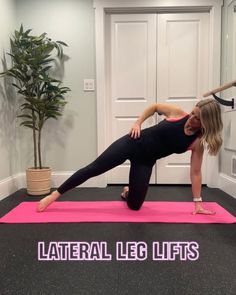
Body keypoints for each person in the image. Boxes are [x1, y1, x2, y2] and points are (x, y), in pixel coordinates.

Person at [37, 98, 223, 215]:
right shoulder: (177, 113)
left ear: (207, 122)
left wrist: (198, 203)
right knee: (94, 169)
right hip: (132, 143)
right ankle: (53, 196)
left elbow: (196, 173)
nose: (191, 118)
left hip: (145, 162)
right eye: (193, 113)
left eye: (197, 118)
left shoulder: (196, 143)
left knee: (135, 206)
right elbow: (155, 106)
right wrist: (137, 123)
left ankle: (127, 191)